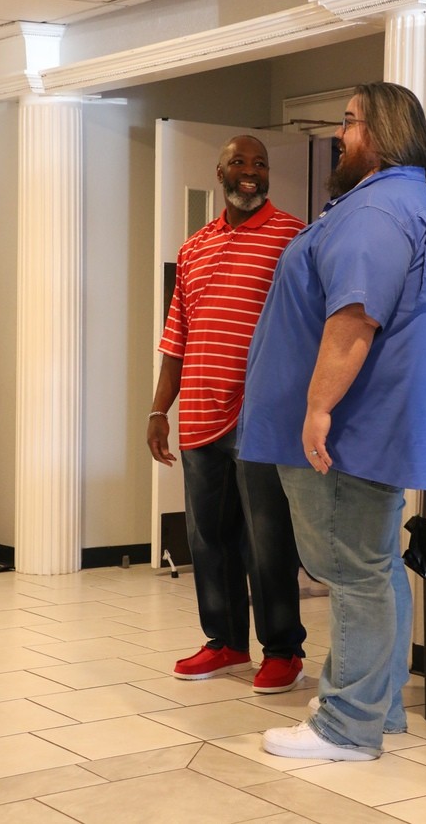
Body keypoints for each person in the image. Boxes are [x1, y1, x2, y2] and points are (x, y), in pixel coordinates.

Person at [238, 83, 426, 759]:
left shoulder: (378, 209)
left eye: (350, 122)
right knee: (374, 566)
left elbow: (356, 316)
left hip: (348, 432)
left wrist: (318, 407)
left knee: (352, 570)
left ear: (383, 133)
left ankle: (346, 726)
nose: (339, 133)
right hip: (366, 428)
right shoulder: (391, 201)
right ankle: (374, 704)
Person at [147, 134, 307, 693]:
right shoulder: (194, 248)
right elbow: (177, 337)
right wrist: (158, 409)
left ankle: (283, 651)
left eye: (260, 163)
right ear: (220, 172)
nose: (250, 171)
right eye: (239, 162)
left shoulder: (292, 237)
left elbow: (307, 327)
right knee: (208, 539)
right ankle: (225, 642)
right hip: (198, 414)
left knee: (267, 539)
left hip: (260, 416)